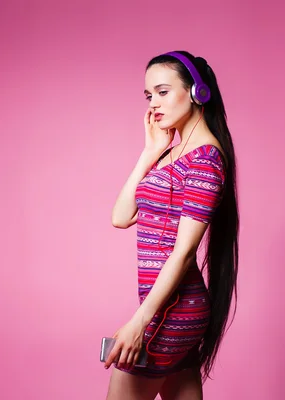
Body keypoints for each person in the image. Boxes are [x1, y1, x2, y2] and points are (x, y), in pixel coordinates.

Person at [104, 50, 239, 400]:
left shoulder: (206, 160)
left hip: (171, 311)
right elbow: (120, 217)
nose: (154, 104)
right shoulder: (173, 155)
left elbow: (184, 252)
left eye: (163, 92)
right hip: (169, 310)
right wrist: (150, 152)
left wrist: (139, 323)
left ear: (198, 93)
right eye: (149, 95)